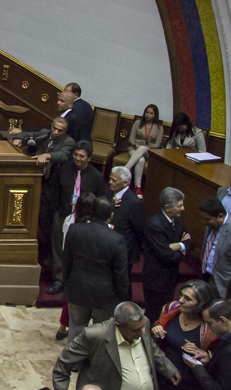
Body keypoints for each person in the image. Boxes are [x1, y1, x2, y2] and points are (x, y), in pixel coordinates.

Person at [53, 301, 180, 390]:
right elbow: (66, 358)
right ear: (119, 326)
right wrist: (61, 382)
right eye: (135, 330)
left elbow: (153, 349)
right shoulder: (95, 335)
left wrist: (168, 368)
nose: (141, 333)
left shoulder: (142, 324)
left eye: (141, 328)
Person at [12, 116, 75, 273]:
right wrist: (19, 139)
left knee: (50, 222)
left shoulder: (68, 141)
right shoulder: (45, 134)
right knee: (40, 215)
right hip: (41, 182)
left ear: (65, 131)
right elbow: (28, 134)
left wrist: (47, 156)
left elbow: (63, 155)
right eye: (54, 128)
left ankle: (50, 254)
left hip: (56, 186)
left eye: (60, 130)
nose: (56, 132)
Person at [64, 195, 129, 343]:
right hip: (104, 294)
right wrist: (121, 297)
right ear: (111, 216)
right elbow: (121, 274)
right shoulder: (117, 239)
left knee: (75, 328)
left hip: (77, 288)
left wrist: (68, 284)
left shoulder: (75, 229)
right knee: (101, 333)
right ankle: (94, 358)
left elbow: (66, 261)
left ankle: (72, 357)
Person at [48, 142, 105, 295]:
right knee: (59, 248)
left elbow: (100, 199)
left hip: (83, 221)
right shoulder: (64, 169)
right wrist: (56, 211)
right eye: (76, 155)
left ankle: (73, 280)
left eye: (82, 156)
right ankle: (59, 279)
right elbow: (55, 191)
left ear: (89, 158)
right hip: (63, 215)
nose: (78, 159)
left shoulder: (96, 176)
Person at [152, 280, 216, 390]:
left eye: (188, 299)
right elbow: (157, 329)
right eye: (181, 295)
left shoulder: (209, 328)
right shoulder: (170, 309)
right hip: (164, 377)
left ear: (201, 304)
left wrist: (204, 355)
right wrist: (156, 329)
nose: (181, 300)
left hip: (190, 387)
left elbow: (217, 358)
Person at [142, 188, 191, 320]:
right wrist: (180, 251)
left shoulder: (177, 220)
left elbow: (189, 241)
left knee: (166, 313)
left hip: (170, 278)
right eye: (179, 206)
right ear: (167, 208)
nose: (183, 208)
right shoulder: (155, 224)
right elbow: (166, 254)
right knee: (154, 314)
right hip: (156, 280)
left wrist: (177, 245)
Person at [108, 166, 144, 299]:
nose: (110, 182)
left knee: (123, 284)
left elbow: (140, 229)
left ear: (125, 183)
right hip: (108, 247)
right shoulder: (109, 194)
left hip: (124, 251)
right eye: (110, 179)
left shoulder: (133, 202)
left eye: (114, 180)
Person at [125, 104, 163, 196]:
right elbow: (131, 139)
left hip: (149, 151)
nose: (148, 115)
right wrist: (136, 145)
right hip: (134, 149)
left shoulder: (159, 127)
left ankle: (126, 168)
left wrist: (145, 147)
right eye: (147, 112)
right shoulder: (137, 123)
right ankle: (138, 188)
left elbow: (157, 145)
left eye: (151, 113)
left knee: (143, 148)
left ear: (155, 115)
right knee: (140, 160)